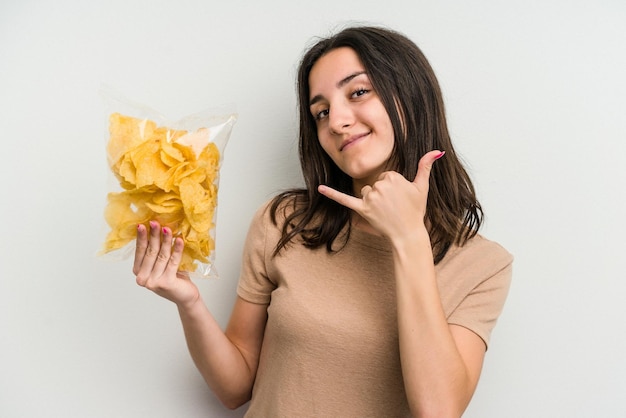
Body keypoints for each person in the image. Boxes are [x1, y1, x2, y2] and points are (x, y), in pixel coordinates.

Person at [132, 25, 513, 418]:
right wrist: (189, 301)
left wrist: (408, 237)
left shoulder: (483, 266)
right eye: (321, 112)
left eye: (359, 92)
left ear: (411, 95)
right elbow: (235, 389)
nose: (336, 121)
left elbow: (437, 411)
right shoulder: (284, 222)